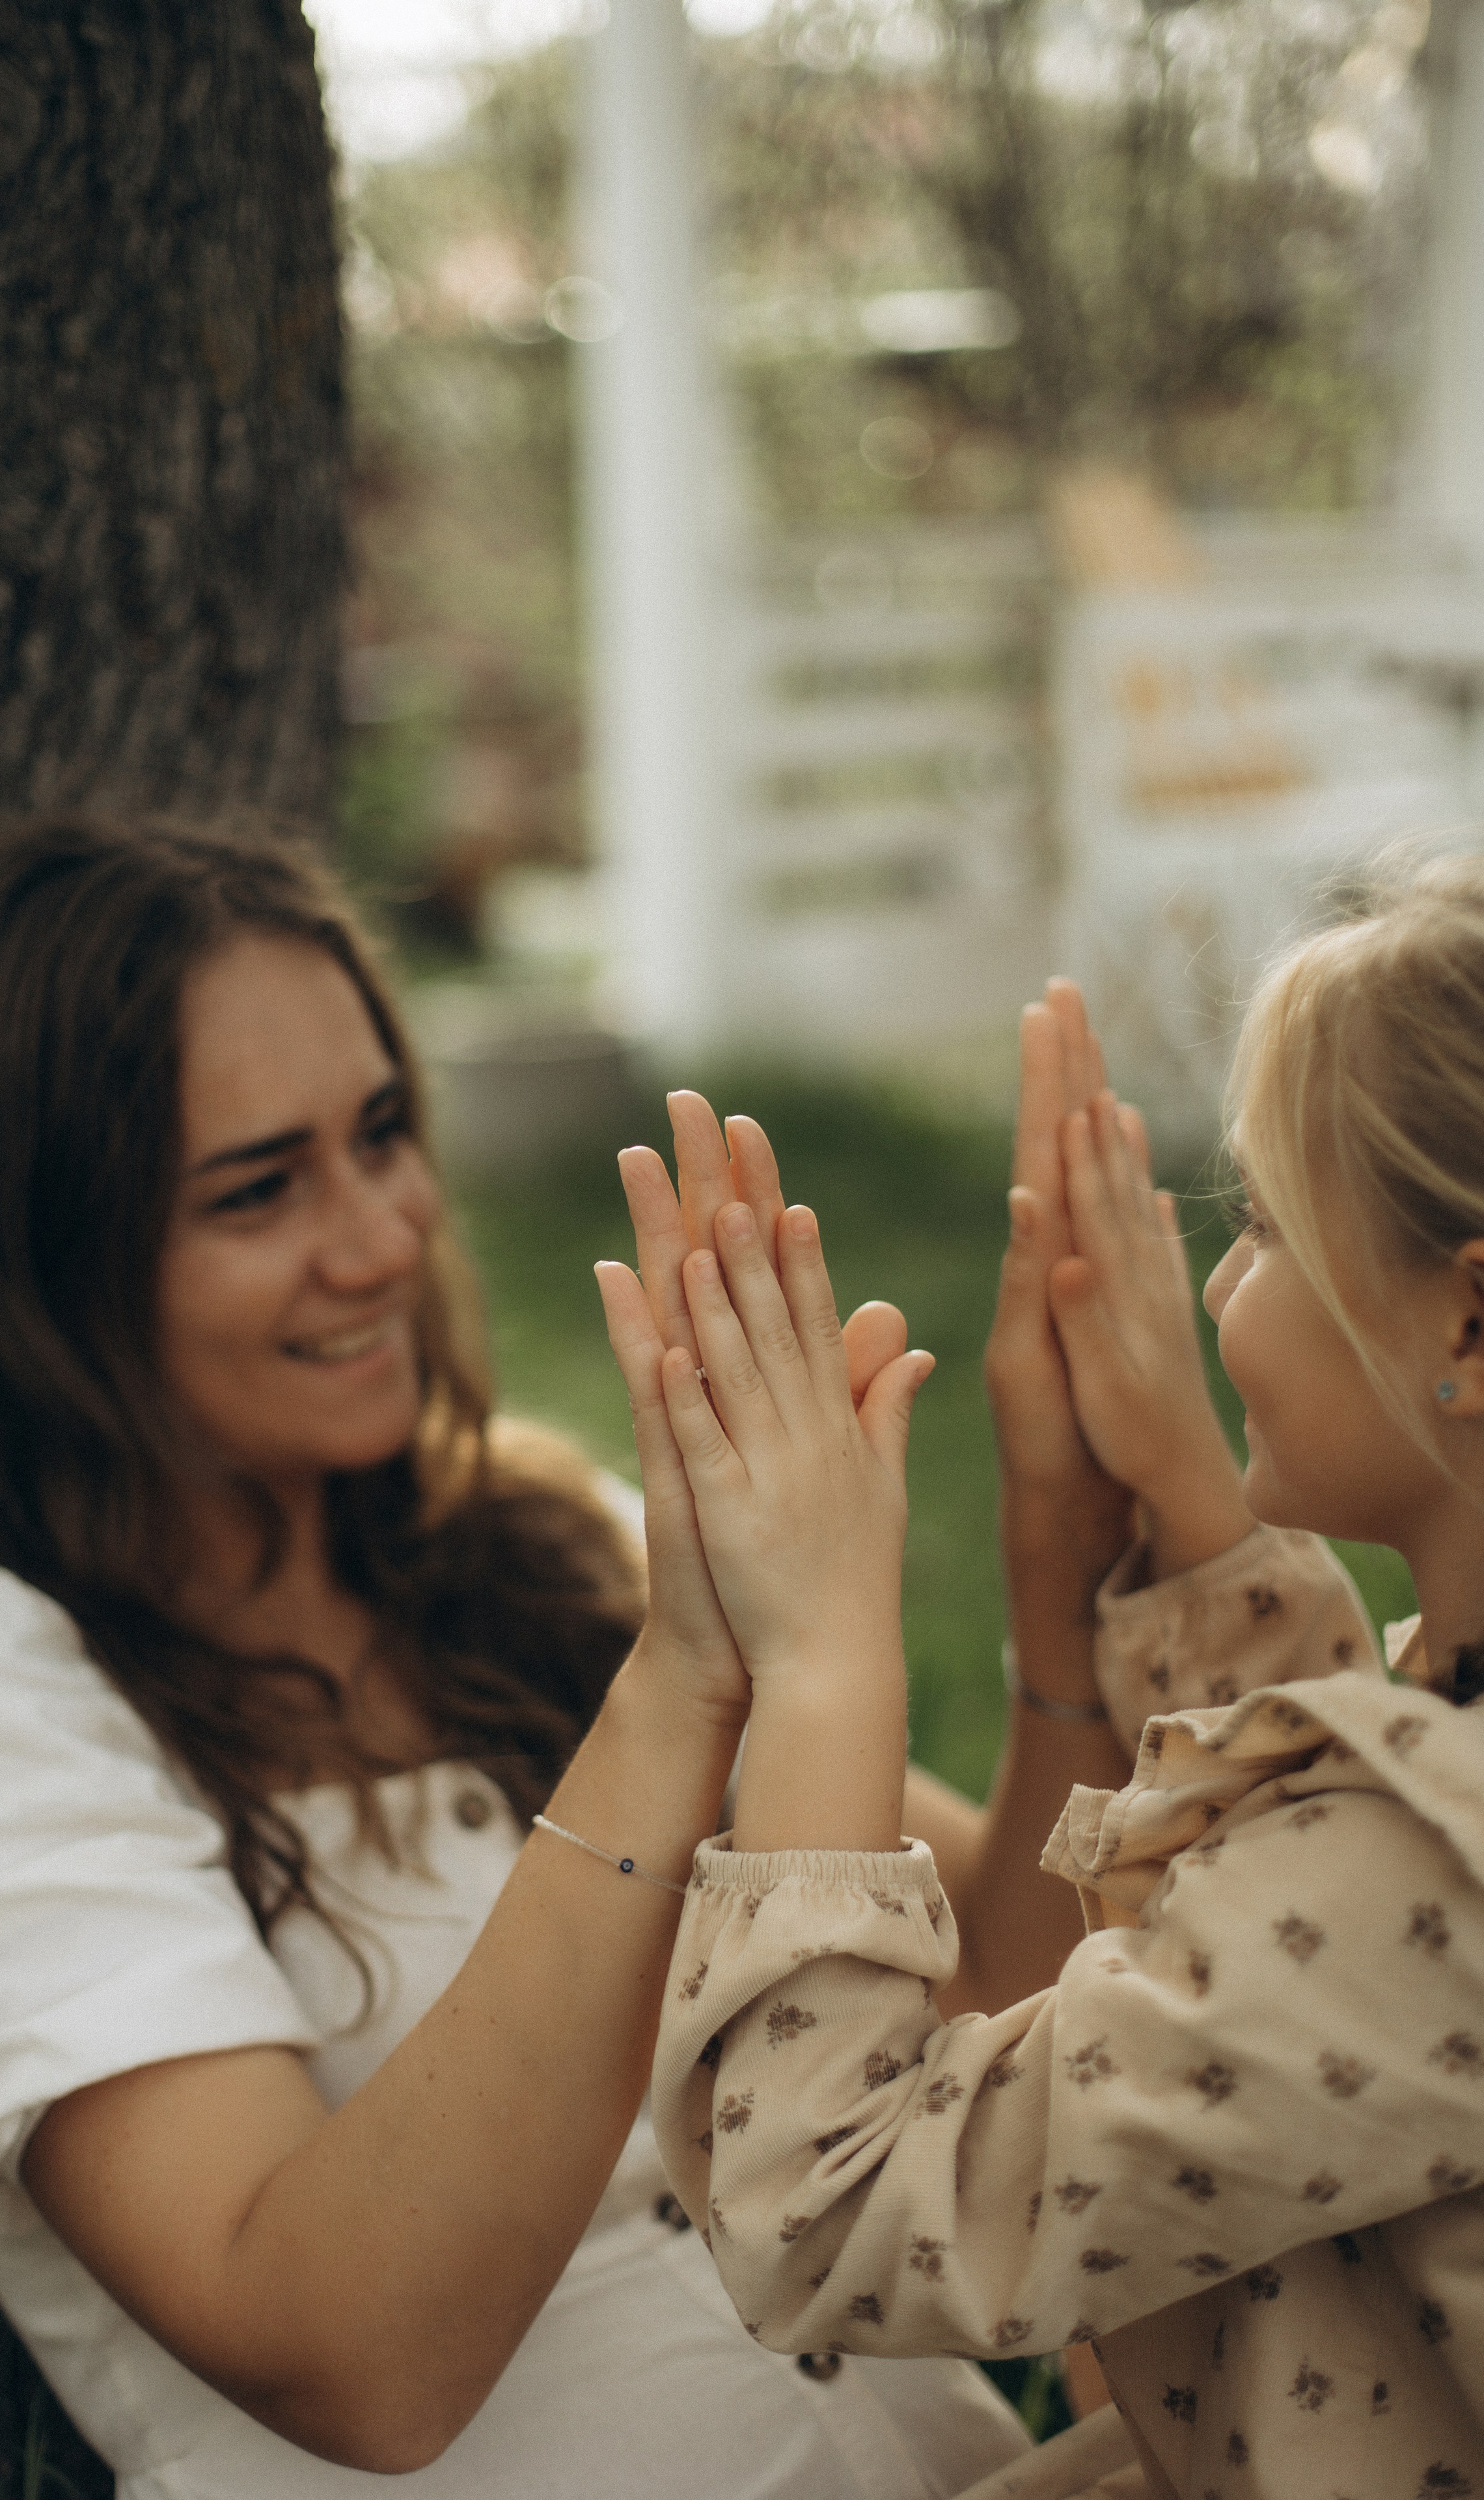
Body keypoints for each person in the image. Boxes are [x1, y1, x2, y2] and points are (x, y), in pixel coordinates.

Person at [0, 816, 1088, 2500]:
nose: (382, 1236)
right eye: (259, 1190)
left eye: (384, 1133)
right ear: (39, 1264)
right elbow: (353, 2352)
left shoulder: (522, 1537)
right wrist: (684, 1678)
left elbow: (1009, 1986)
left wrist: (1066, 1544)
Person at [649, 861, 1484, 2495]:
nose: (1222, 1287)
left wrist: (821, 1650)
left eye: (1258, 1224)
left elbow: (830, 2212)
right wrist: (1180, 1490)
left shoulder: (1433, 1887)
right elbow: (1344, 1872)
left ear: (1467, 1316)